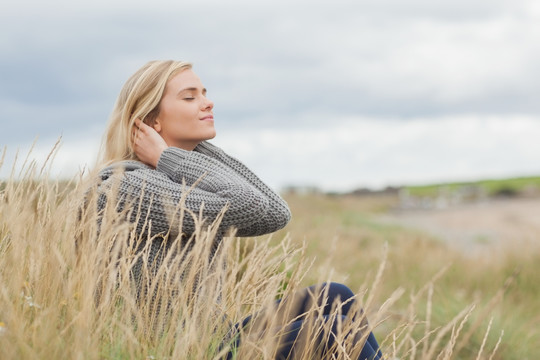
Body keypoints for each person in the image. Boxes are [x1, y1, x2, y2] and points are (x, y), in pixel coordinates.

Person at [91, 60, 383, 359]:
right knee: (330, 329)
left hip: (215, 337)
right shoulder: (125, 187)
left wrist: (182, 153)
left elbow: (276, 212)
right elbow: (249, 205)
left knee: (336, 297)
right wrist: (171, 156)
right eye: (190, 97)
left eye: (205, 93)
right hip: (180, 351)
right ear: (152, 120)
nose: (208, 102)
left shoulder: (176, 175)